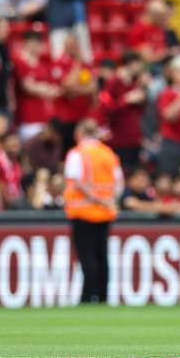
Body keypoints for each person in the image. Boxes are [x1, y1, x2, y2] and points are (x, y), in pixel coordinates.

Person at [63, 120, 124, 303]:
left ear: (79, 133)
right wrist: (110, 200)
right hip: (105, 213)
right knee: (102, 255)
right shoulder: (108, 153)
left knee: (87, 257)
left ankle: (88, 296)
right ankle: (103, 296)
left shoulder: (77, 153)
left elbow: (77, 182)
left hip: (83, 211)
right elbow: (119, 182)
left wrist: (97, 199)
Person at [97, 51, 148, 169]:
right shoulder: (113, 83)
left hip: (134, 139)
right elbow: (105, 109)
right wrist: (126, 100)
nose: (141, 68)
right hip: (119, 140)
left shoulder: (136, 83)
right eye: (139, 64)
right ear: (130, 64)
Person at [13, 30, 60, 141]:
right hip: (27, 117)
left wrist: (40, 88)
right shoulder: (18, 61)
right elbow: (27, 87)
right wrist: (44, 89)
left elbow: (54, 89)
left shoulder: (42, 65)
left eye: (39, 42)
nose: (38, 46)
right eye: (34, 42)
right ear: (26, 43)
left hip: (44, 117)